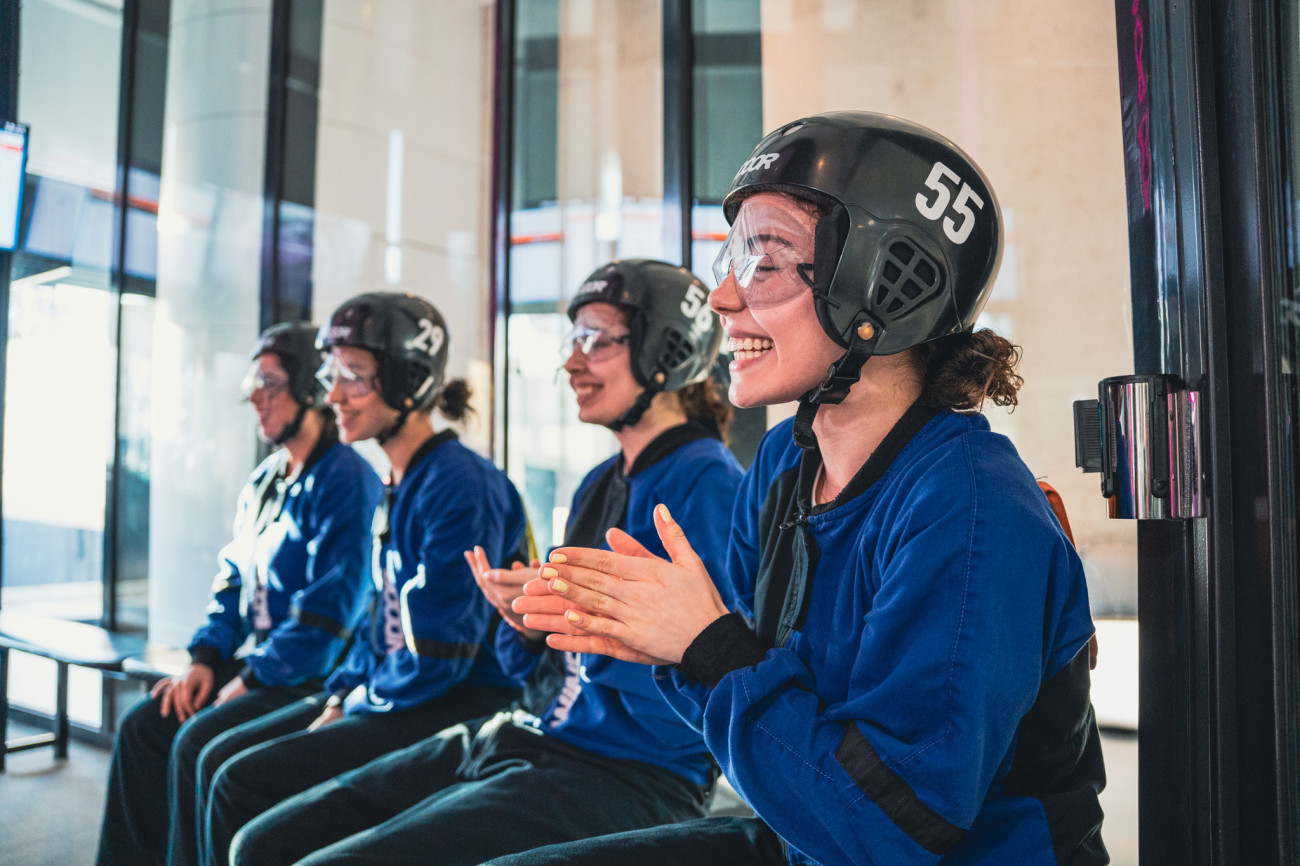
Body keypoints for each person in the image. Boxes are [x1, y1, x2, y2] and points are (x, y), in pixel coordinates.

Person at [507, 112, 1108, 865]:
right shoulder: (785, 469)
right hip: (812, 833)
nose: (723, 298)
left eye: (765, 260)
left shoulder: (969, 507)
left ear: (884, 288)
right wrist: (662, 636)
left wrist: (706, 644)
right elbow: (749, 731)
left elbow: (895, 827)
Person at [227, 260, 745, 866]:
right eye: (573, 341)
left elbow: (699, 684)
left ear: (668, 350)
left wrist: (578, 625)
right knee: (261, 841)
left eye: (597, 340)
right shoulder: (600, 483)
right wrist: (529, 624)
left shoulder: (709, 485)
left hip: (627, 772)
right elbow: (539, 669)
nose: (572, 361)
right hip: (530, 735)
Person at [192, 293, 530, 866]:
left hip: (455, 702)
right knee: (221, 762)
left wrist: (357, 702)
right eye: (332, 374)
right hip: (401, 690)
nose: (333, 395)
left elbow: (437, 653)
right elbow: (380, 626)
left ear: (407, 380)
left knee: (238, 784)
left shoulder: (457, 484)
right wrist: (342, 692)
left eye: (354, 376)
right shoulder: (399, 478)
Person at [96, 322, 381, 866]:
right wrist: (206, 659)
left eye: (269, 382)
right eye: (253, 382)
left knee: (194, 742)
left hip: (314, 675)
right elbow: (231, 578)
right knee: (143, 727)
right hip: (260, 664)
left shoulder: (348, 480)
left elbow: (332, 611)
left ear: (306, 389)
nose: (255, 396)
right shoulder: (266, 479)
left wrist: (250, 678)